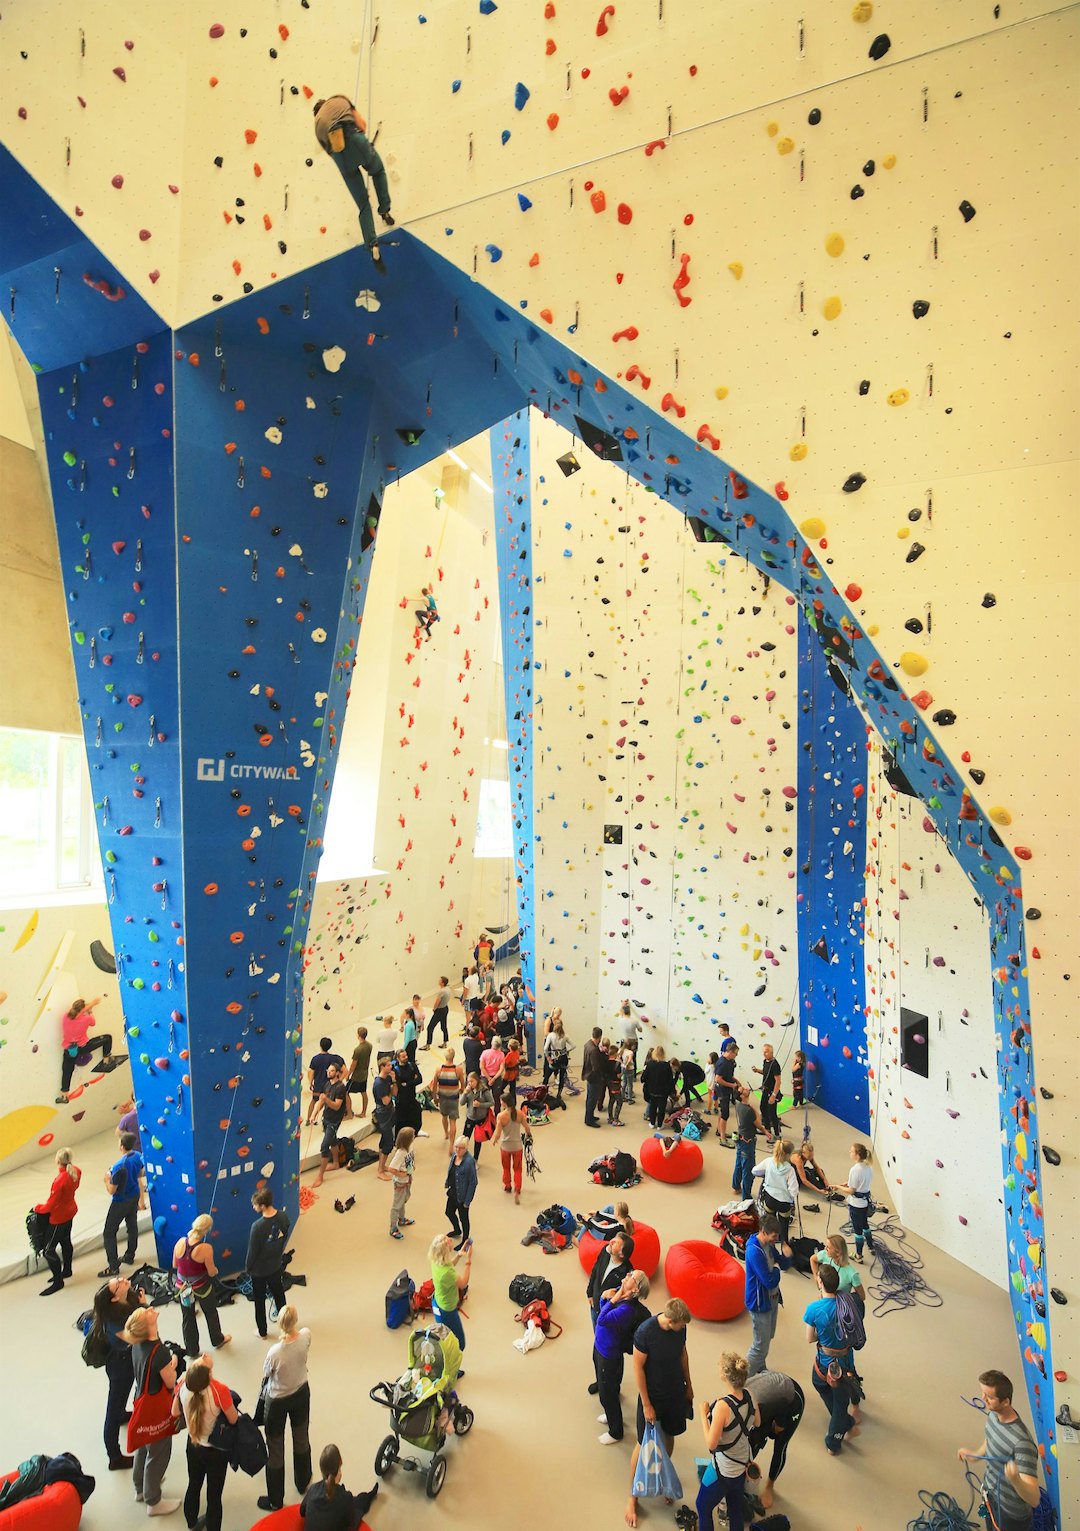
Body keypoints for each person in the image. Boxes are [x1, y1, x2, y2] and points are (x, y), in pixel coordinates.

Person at [626, 1299, 693, 1530]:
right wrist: (646, 1404)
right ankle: (633, 1497)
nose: (683, 1329)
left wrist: (688, 1385)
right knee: (642, 1444)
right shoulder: (645, 1333)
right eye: (681, 1325)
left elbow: (683, 1355)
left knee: (670, 1436)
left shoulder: (680, 1329)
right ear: (671, 1320)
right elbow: (637, 1368)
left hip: (674, 1394)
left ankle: (664, 1478)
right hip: (652, 1397)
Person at [312, 96, 394, 269]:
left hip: (341, 159)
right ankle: (385, 211)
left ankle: (372, 245)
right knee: (377, 171)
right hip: (354, 140)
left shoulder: (317, 128)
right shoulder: (339, 100)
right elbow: (362, 125)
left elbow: (330, 152)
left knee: (363, 204)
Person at [957, 1369, 1041, 1531]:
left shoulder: (1022, 1442)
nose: (983, 1399)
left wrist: (1015, 1479)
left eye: (989, 1397)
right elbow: (991, 1441)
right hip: (990, 1496)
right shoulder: (994, 1416)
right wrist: (975, 1455)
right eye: (983, 1393)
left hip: (1011, 1514)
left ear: (1005, 1402)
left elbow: (1034, 1499)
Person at [122, 1303, 181, 1516]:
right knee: (158, 1452)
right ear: (146, 1326)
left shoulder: (138, 1344)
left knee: (144, 1446)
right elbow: (169, 1382)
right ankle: (153, 1500)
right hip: (157, 1409)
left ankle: (141, 1487)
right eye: (146, 1312)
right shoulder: (161, 1353)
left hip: (142, 1401)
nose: (150, 1308)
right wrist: (173, 1363)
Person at [171, 1352, 239, 1531]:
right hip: (215, 1450)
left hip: (193, 1445)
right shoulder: (218, 1390)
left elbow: (174, 1413)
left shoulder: (183, 1385)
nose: (205, 1355)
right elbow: (233, 1419)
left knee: (194, 1484)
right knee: (214, 1496)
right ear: (209, 1376)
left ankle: (192, 1522)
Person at [258, 1304, 313, 1513]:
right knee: (301, 1437)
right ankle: (303, 1480)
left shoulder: (274, 1352)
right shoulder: (306, 1336)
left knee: (275, 1448)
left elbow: (267, 1375)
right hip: (301, 1393)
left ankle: (275, 1500)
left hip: (277, 1402)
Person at [696, 1352, 759, 1531]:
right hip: (742, 1466)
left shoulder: (723, 1407)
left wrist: (703, 1414)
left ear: (724, 1375)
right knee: (735, 1508)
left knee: (702, 1505)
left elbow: (711, 1444)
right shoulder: (750, 1394)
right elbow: (757, 1422)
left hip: (723, 1469)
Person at [803, 1264, 860, 1455]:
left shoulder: (814, 1309)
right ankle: (846, 1421)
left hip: (825, 1362)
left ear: (820, 1282)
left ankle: (834, 1442)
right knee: (840, 1397)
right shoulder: (847, 1303)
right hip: (846, 1361)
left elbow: (810, 1338)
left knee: (827, 1390)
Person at [89, 1273, 144, 1469]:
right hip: (120, 1367)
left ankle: (122, 1414)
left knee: (120, 1400)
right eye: (117, 1283)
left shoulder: (124, 1302)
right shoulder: (112, 1323)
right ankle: (114, 1456)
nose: (122, 1280)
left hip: (126, 1361)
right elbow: (136, 1338)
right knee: (113, 1406)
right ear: (114, 1298)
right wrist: (144, 1308)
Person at [595, 1270, 652, 1443]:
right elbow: (601, 1305)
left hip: (609, 1352)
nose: (627, 1275)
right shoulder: (619, 1291)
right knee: (607, 1384)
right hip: (599, 1344)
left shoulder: (627, 1309)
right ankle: (610, 1411)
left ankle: (616, 1431)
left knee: (607, 1393)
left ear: (635, 1290)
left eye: (631, 1277)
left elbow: (602, 1319)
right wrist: (607, 1297)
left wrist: (612, 1298)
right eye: (629, 1273)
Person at [745, 1369, 805, 1512]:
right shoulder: (738, 1403)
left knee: (780, 1446)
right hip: (770, 1395)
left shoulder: (757, 1405)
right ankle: (743, 1474)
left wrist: (779, 1423)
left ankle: (769, 1486)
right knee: (754, 1439)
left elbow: (782, 1404)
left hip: (790, 1400)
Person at [173, 1213, 231, 1355]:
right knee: (210, 1312)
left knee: (188, 1317)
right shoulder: (205, 1248)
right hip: (201, 1288)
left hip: (182, 1288)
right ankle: (217, 1339)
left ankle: (192, 1350)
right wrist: (215, 1270)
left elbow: (175, 1265)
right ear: (208, 1229)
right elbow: (211, 1273)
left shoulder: (180, 1242)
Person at [745, 1214, 793, 1376]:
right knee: (759, 1346)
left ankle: (759, 1367)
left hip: (772, 1299)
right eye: (773, 1236)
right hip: (760, 1303)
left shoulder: (769, 1244)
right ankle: (745, 1379)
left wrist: (787, 1256)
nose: (776, 1240)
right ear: (763, 1232)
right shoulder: (754, 1251)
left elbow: (783, 1264)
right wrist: (777, 1271)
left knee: (767, 1337)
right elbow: (769, 1281)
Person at [299, 1442, 379, 1530]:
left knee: (350, 1503)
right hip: (346, 1504)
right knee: (359, 1502)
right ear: (340, 1462)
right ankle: (370, 1495)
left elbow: (302, 1511)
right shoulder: (345, 1497)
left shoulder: (313, 1489)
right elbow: (351, 1522)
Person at [99, 1130, 146, 1277]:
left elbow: (112, 1190)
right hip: (134, 1197)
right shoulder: (138, 1156)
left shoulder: (119, 1166)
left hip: (120, 1201)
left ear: (121, 1146)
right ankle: (129, 1255)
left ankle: (113, 1266)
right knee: (132, 1226)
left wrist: (106, 1179)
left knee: (108, 1233)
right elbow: (141, 1173)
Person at [246, 1186, 292, 1339]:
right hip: (275, 1265)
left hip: (259, 1270)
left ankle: (262, 1331)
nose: (253, 1207)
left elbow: (252, 1252)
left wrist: (248, 1268)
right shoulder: (283, 1217)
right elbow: (285, 1234)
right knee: (279, 1294)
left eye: (255, 1205)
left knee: (259, 1300)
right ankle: (286, 1326)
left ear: (262, 1206)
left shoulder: (257, 1227)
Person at [35, 1145, 80, 1295]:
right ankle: (67, 1270)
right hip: (70, 1212)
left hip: (59, 1218)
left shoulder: (60, 1180)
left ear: (57, 1161)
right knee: (66, 1241)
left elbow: (50, 1205)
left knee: (48, 1250)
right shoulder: (76, 1171)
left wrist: (37, 1208)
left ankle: (58, 1280)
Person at [57, 994, 114, 1102]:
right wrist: (90, 1009)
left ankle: (64, 1095)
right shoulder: (87, 1018)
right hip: (83, 1047)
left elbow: (76, 1012)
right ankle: (106, 1061)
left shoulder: (66, 1016)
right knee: (107, 1038)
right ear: (83, 1010)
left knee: (67, 1071)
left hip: (69, 1049)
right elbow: (93, 1023)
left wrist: (88, 1006)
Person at [428, 1233, 471, 1362]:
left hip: (437, 1302)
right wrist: (468, 1262)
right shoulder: (447, 1273)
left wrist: (458, 1255)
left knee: (444, 1334)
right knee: (459, 1343)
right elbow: (463, 1283)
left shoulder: (436, 1262)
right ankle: (451, 1366)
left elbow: (449, 1265)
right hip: (447, 1310)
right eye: (448, 1241)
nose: (451, 1240)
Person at [752, 1140, 798, 1245]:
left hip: (769, 1199)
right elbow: (793, 1191)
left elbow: (754, 1171)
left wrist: (766, 1176)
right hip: (783, 1202)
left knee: (769, 1224)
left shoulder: (768, 1161)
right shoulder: (790, 1170)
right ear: (788, 1154)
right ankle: (784, 1245)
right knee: (784, 1227)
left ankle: (768, 1245)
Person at [835, 1142, 875, 1261]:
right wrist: (846, 1183)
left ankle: (858, 1255)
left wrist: (839, 1186)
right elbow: (859, 1183)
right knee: (865, 1224)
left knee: (858, 1230)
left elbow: (851, 1190)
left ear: (857, 1155)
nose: (849, 1153)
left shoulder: (854, 1170)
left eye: (851, 1151)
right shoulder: (868, 1167)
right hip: (865, 1203)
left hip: (856, 1204)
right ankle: (871, 1246)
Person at [311, 1063, 348, 1188]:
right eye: (328, 1070)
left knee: (324, 1146)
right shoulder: (327, 1085)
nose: (329, 1073)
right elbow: (321, 1102)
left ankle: (320, 1176)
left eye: (332, 1071)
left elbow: (337, 1106)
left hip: (333, 1121)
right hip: (326, 1119)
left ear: (337, 1073)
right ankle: (336, 1163)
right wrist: (314, 1114)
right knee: (333, 1141)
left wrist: (326, 1100)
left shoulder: (340, 1088)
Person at [491, 1093, 530, 1202]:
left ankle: (507, 1186)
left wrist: (494, 1140)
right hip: (517, 1146)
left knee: (506, 1168)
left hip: (505, 1147)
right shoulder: (520, 1114)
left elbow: (498, 1133)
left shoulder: (501, 1116)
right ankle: (517, 1190)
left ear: (505, 1102)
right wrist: (529, 1136)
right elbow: (527, 1128)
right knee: (517, 1169)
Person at [810, 1235, 864, 1310]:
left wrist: (843, 1300)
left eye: (828, 1247)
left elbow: (861, 1296)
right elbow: (813, 1259)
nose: (825, 1248)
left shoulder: (852, 1274)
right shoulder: (825, 1255)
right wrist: (816, 1278)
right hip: (825, 1301)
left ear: (838, 1253)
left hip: (840, 1307)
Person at [445, 1136, 478, 1250]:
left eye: (461, 1148)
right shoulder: (454, 1156)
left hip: (463, 1196)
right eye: (456, 1147)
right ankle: (457, 1229)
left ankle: (465, 1240)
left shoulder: (469, 1162)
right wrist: (446, 1182)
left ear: (466, 1148)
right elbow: (450, 1169)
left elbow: (473, 1182)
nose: (458, 1150)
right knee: (449, 1212)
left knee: (464, 1218)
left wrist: (467, 1201)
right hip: (453, 1191)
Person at [733, 1083, 763, 1202]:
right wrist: (767, 1133)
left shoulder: (739, 1105)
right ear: (741, 1096)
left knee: (739, 1163)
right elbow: (758, 1123)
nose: (746, 1089)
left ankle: (736, 1186)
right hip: (747, 1141)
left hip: (741, 1138)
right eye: (743, 1089)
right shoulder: (748, 1110)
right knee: (748, 1169)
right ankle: (746, 1197)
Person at [305, 1038, 344, 1128]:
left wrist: (310, 1082)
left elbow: (311, 1072)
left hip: (318, 1084)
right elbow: (342, 1069)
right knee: (327, 1102)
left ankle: (308, 1119)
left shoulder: (315, 1058)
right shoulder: (333, 1058)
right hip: (329, 1085)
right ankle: (323, 1119)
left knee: (314, 1100)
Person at [432, 1047, 465, 1153]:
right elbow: (463, 1085)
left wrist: (435, 1098)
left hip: (443, 1098)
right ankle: (451, 1145)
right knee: (453, 1121)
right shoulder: (458, 1070)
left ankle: (446, 1133)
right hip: (453, 1098)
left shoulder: (439, 1069)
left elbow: (434, 1086)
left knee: (444, 1116)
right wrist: (460, 1090)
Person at [388, 1126, 417, 1239]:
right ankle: (393, 1228)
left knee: (404, 1199)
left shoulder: (410, 1147)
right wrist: (401, 1174)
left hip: (408, 1179)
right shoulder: (400, 1153)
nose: (414, 1137)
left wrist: (412, 1167)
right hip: (400, 1182)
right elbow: (391, 1168)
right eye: (413, 1136)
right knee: (397, 1204)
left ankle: (402, 1219)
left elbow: (411, 1159)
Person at [371, 1056, 397, 1180]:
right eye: (388, 1065)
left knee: (385, 1139)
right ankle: (380, 1170)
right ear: (382, 1067)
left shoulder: (387, 1079)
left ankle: (382, 1165)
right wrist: (391, 1090)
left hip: (389, 1112)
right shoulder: (379, 1084)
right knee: (388, 1141)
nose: (391, 1067)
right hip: (384, 1113)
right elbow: (386, 1101)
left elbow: (395, 1093)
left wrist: (394, 1081)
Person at [460, 1071, 495, 1161]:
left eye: (472, 1081)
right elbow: (461, 1103)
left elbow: (492, 1102)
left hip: (480, 1119)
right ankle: (463, 1157)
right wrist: (464, 1093)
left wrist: (481, 1105)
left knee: (478, 1140)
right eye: (468, 1082)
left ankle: (475, 1159)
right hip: (470, 1118)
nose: (470, 1084)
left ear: (477, 1081)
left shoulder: (484, 1090)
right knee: (465, 1138)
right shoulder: (468, 1090)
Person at [714, 1039, 743, 1144]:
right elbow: (718, 1079)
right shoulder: (722, 1063)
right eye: (735, 1053)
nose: (736, 1055)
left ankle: (719, 1130)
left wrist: (736, 1081)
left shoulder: (729, 1062)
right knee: (725, 1114)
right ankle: (722, 1138)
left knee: (722, 1112)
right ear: (730, 1052)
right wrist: (732, 1085)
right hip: (722, 1091)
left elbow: (728, 1076)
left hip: (726, 1089)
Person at [640, 1045, 674, 1129]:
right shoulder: (667, 1066)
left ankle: (652, 1123)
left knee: (652, 1107)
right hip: (663, 1091)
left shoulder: (650, 1064)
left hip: (652, 1090)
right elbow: (670, 1080)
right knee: (662, 1108)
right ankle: (659, 1124)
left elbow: (644, 1078)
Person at [753, 1044, 783, 1140]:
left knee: (772, 1113)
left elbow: (778, 1081)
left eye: (766, 1052)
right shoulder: (765, 1062)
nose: (764, 1054)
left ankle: (777, 1134)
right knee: (763, 1108)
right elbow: (766, 1072)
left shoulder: (775, 1064)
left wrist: (774, 1095)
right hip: (765, 1091)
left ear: (771, 1052)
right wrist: (757, 1070)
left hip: (771, 1092)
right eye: (763, 1052)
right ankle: (767, 1130)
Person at [392, 1048, 423, 1134]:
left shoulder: (412, 1066)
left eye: (406, 1055)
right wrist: (412, 1081)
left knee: (416, 1119)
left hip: (411, 1099)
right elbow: (399, 1086)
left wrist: (407, 1083)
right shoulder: (396, 1070)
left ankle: (414, 1133)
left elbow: (420, 1079)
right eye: (403, 1056)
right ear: (398, 1058)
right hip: (401, 1102)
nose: (406, 1057)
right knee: (401, 1123)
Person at [345, 1026, 372, 1119]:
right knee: (363, 1092)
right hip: (365, 1073)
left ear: (358, 1035)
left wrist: (348, 1075)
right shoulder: (369, 1045)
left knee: (345, 1092)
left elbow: (353, 1064)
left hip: (357, 1076)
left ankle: (349, 1114)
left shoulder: (358, 1050)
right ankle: (363, 1112)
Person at [544, 1015, 571, 1097]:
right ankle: (559, 1094)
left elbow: (545, 1048)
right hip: (563, 1058)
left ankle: (543, 1092)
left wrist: (548, 1057)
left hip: (554, 1059)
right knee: (562, 1077)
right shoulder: (565, 1036)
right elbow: (573, 1045)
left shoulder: (551, 1035)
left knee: (547, 1076)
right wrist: (566, 1051)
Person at [479, 1034, 506, 1114]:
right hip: (496, 1078)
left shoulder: (484, 1053)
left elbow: (482, 1067)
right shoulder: (501, 1054)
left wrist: (488, 1078)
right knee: (496, 1097)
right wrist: (494, 1078)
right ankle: (497, 1114)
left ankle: (486, 1114)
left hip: (485, 1077)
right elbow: (501, 1069)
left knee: (484, 1097)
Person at [425, 977, 451, 1049]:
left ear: (442, 983)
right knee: (443, 1026)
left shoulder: (441, 991)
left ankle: (428, 1045)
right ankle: (445, 1042)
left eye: (439, 980)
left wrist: (434, 1009)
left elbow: (437, 1002)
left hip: (440, 1011)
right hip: (445, 1008)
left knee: (430, 1027)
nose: (438, 981)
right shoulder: (448, 989)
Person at [605, 1043, 625, 1124]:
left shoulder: (605, 1062)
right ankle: (616, 1119)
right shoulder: (617, 1064)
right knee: (619, 1102)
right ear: (615, 1053)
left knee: (611, 1100)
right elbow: (619, 1076)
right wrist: (623, 1068)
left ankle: (610, 1118)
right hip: (616, 1084)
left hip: (609, 1083)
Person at [501, 1035, 522, 1104]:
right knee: (513, 1088)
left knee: (501, 1088)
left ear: (509, 1047)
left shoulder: (509, 1054)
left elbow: (505, 1062)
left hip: (508, 1073)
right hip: (514, 1072)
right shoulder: (517, 1052)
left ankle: (505, 1099)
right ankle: (514, 1102)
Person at [621, 1041, 638, 1106]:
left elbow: (618, 1057)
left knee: (624, 1083)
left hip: (623, 1068)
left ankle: (622, 1097)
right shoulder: (630, 1052)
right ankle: (629, 1099)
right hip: (630, 1069)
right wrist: (627, 1064)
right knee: (630, 1084)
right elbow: (630, 1059)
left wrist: (623, 1064)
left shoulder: (621, 1050)